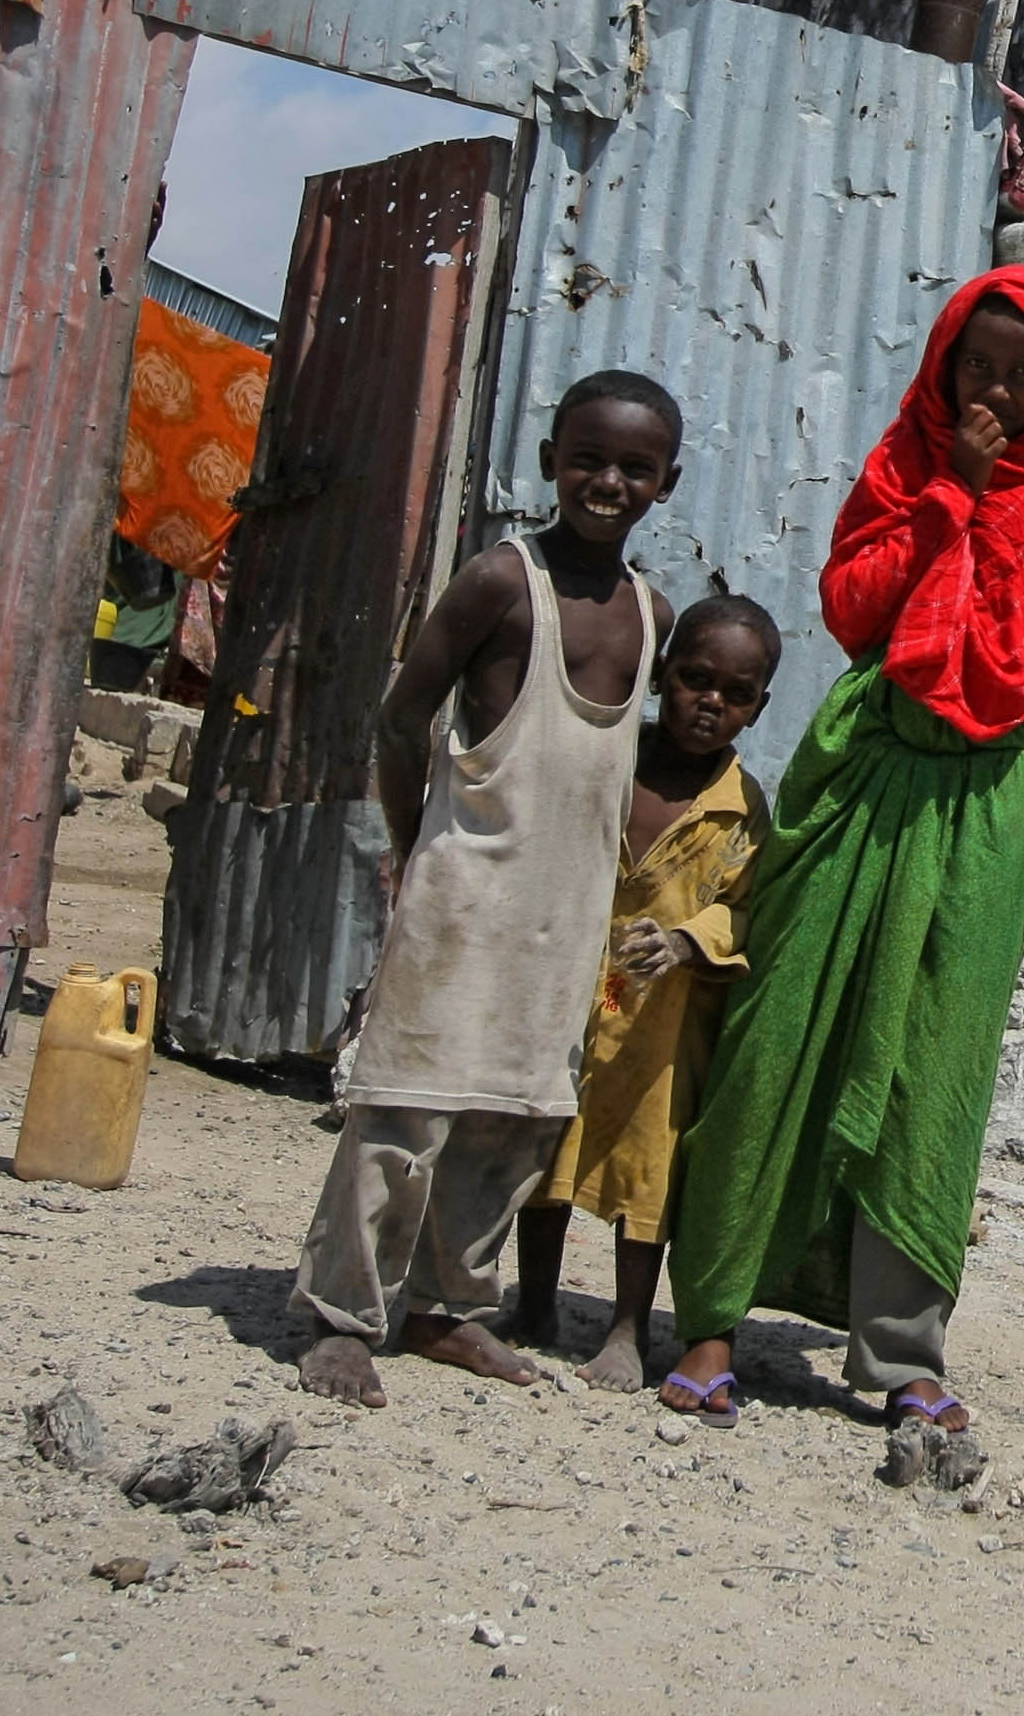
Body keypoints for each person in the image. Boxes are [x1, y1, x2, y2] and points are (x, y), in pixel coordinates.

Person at [659, 269, 1024, 1434]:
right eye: (976, 366)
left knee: (933, 1064)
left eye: (1020, 372)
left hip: (988, 805)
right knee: (780, 1026)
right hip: (869, 777)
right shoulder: (908, 467)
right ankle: (710, 1314)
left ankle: (901, 1353)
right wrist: (955, 494)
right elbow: (855, 612)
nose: (995, 388)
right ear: (945, 368)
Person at [290, 371, 681, 1408]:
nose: (607, 480)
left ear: (666, 483)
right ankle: (342, 1313)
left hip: (565, 911)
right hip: (464, 892)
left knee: (514, 1117)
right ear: (550, 458)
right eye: (588, 457)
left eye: (633, 468)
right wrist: (419, 845)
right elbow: (398, 718)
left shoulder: (654, 613)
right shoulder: (500, 584)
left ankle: (445, 1305)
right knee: (406, 1108)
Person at [510, 595, 782, 1392]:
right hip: (570, 996)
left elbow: (743, 906)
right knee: (549, 1151)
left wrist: (683, 942)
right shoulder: (608, 763)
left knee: (647, 1169)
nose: (711, 703)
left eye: (734, 695)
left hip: (665, 1025)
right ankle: (533, 1306)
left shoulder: (741, 810)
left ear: (756, 709)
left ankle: (626, 1330)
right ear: (661, 675)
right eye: (696, 679)